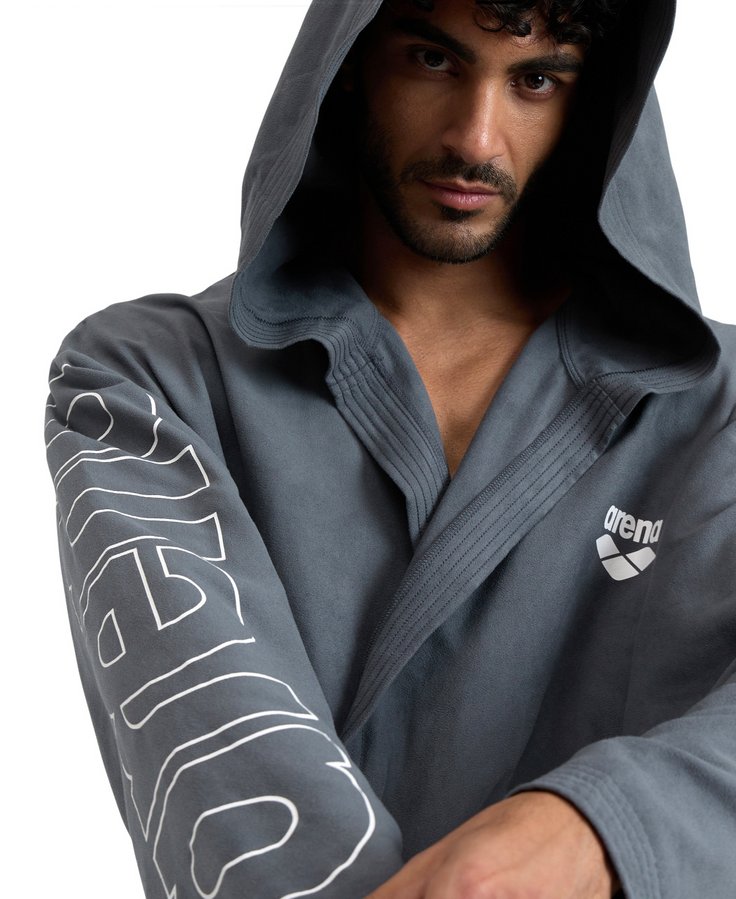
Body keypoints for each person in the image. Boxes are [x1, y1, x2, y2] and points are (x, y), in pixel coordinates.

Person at [44, 0, 736, 896]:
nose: (475, 139)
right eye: (432, 61)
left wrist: (598, 826)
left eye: (535, 79)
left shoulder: (719, 408)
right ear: (349, 63)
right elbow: (217, 758)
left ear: (593, 98)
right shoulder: (149, 381)